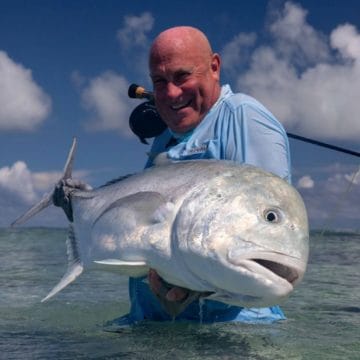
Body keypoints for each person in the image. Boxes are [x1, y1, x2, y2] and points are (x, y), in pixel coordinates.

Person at [55, 26, 291, 326]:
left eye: (182, 77)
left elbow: (263, 231)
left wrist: (193, 287)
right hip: (152, 325)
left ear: (214, 67)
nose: (170, 93)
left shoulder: (244, 118)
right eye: (159, 81)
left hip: (233, 331)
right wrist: (81, 204)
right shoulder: (165, 137)